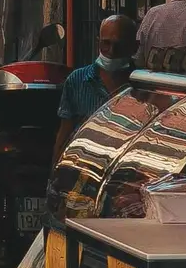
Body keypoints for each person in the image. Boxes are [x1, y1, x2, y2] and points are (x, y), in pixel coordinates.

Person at [52, 15, 138, 161]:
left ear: (134, 47)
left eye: (119, 45)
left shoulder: (142, 86)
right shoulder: (77, 80)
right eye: (106, 44)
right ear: (98, 42)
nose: (111, 51)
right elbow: (64, 133)